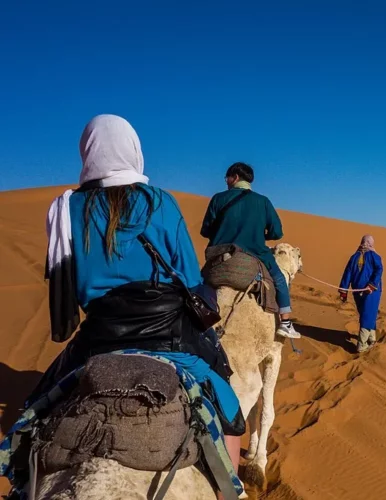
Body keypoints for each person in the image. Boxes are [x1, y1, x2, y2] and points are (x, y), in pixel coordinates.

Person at [35, 114, 243, 483]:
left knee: (35, 411)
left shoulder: (66, 211)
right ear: (134, 149)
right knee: (227, 403)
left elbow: (65, 292)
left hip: (99, 337)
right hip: (172, 337)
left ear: (87, 151)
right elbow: (192, 278)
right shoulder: (160, 201)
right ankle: (232, 486)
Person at [200, 162, 301, 339]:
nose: (226, 181)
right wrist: (256, 235)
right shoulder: (263, 201)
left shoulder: (218, 198)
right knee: (279, 280)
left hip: (221, 255)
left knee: (198, 281)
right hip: (256, 253)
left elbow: (205, 231)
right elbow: (277, 232)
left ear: (235, 177)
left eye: (227, 178)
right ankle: (285, 322)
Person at [339, 235, 384, 353]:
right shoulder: (374, 256)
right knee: (367, 314)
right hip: (370, 291)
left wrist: (344, 290)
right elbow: (379, 269)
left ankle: (371, 338)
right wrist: (372, 285)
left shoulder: (354, 257)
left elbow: (347, 273)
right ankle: (361, 345)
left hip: (360, 290)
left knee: (368, 313)